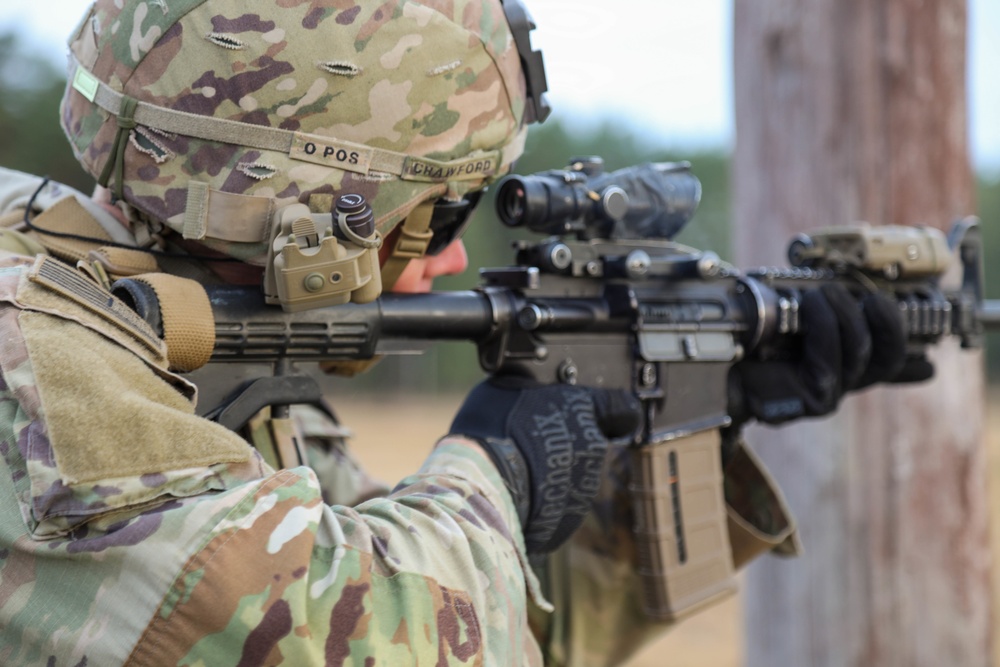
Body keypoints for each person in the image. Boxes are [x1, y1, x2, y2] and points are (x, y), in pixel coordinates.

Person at [0, 1, 915, 665]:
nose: (448, 260)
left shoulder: (167, 340)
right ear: (313, 209)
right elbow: (347, 642)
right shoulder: (40, 371)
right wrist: (496, 469)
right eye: (437, 214)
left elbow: (505, 628)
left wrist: (702, 416)